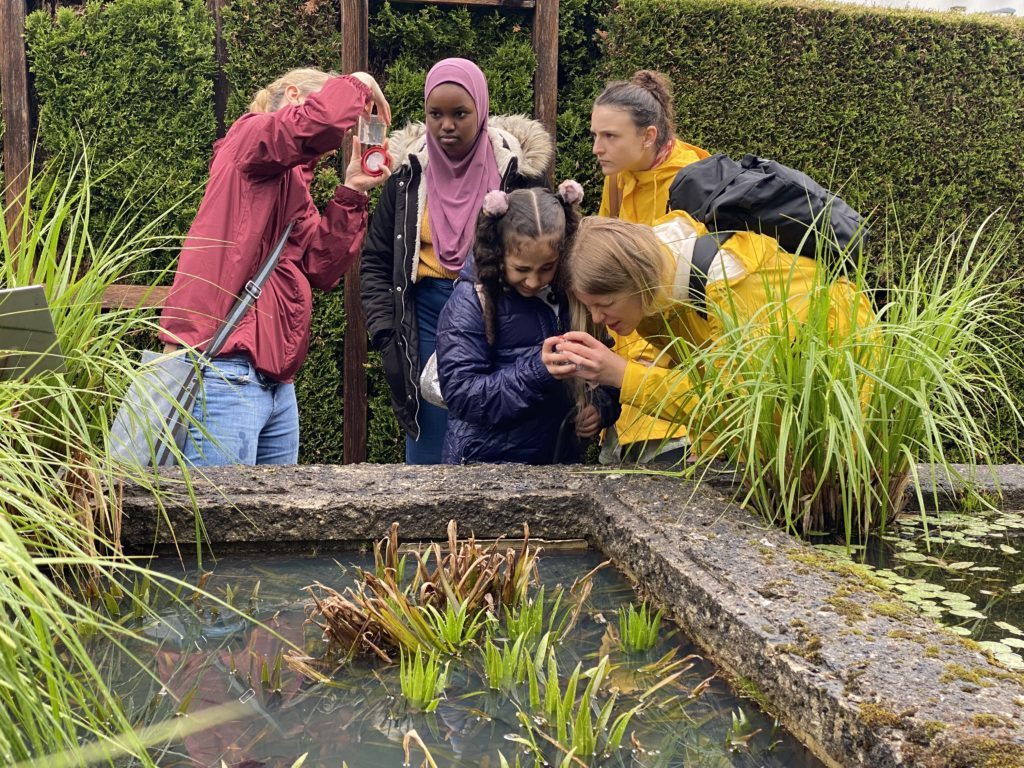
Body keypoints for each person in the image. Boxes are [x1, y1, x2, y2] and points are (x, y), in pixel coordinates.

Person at [158, 68, 391, 466]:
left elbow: (319, 265)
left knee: (267, 526)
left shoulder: (292, 185)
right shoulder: (251, 136)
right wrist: (360, 82)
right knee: (218, 522)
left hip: (276, 384)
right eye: (342, 122)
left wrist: (351, 191)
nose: (337, 143)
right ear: (296, 95)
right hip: (222, 370)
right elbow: (313, 125)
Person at [360, 58, 554, 465]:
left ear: (480, 111)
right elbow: (377, 260)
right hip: (426, 325)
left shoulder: (518, 174)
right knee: (430, 460)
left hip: (504, 320)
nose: (446, 125)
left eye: (459, 114)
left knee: (503, 447)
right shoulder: (408, 176)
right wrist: (385, 332)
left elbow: (548, 246)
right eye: (436, 114)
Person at [542, 211, 872, 432]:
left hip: (846, 381)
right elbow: (709, 380)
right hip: (793, 412)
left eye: (605, 304)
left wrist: (622, 374)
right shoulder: (653, 303)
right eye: (590, 306)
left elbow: (737, 407)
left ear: (637, 279)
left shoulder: (731, 282)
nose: (598, 319)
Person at [435, 184, 619, 465]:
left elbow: (606, 368)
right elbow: (463, 396)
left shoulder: (575, 298)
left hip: (558, 462)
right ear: (498, 253)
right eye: (521, 269)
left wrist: (600, 408)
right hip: (484, 467)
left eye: (547, 267)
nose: (534, 281)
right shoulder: (472, 301)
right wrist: (537, 371)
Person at [590, 69, 710, 465]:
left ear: (649, 135)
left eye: (610, 137)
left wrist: (651, 353)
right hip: (625, 356)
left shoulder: (693, 181)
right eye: (596, 135)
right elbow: (606, 251)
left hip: (671, 370)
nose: (597, 148)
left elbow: (701, 286)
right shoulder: (620, 177)